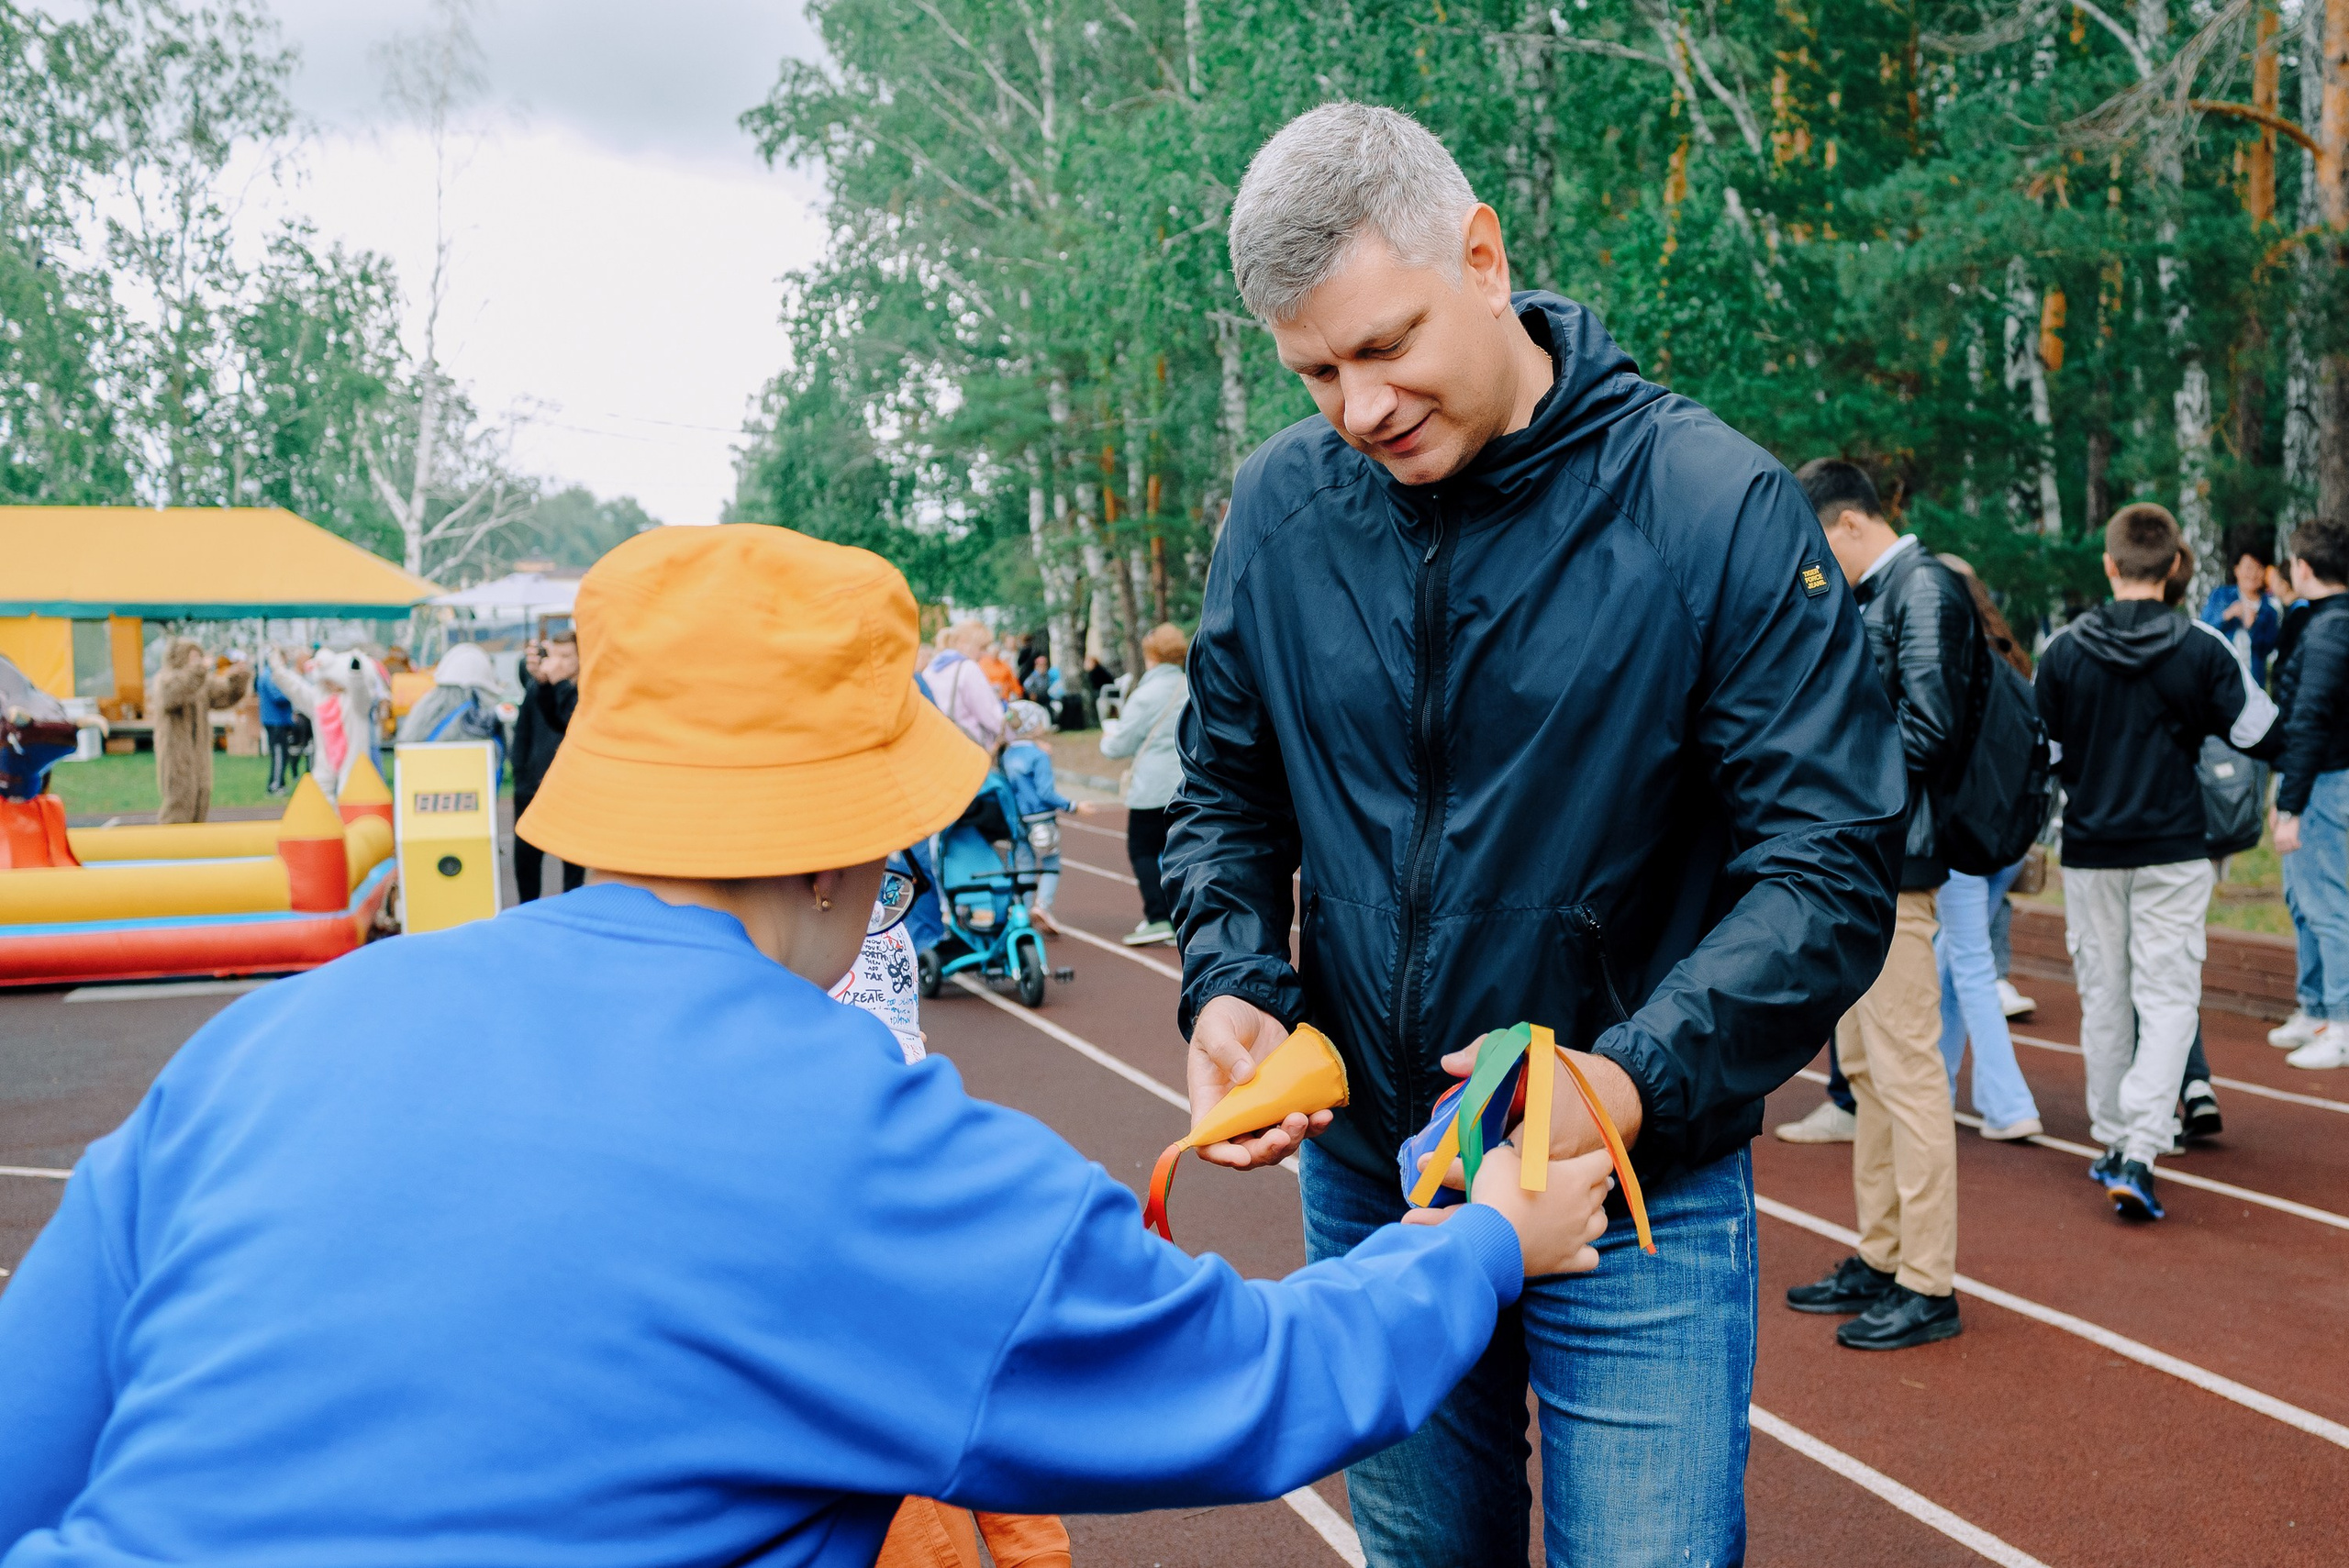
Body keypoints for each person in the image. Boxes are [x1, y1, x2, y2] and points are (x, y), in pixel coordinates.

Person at [0, 523, 1619, 1566]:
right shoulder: (865, 1148)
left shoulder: (272, 1036)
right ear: (860, 846)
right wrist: (1481, 1234)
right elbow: (1267, 1381)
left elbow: (29, 1441)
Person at [1163, 104, 1903, 1567]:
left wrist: (1626, 1080)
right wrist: (1233, 972)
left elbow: (1827, 862)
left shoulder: (1713, 504)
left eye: (1385, 346)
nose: (1359, 408)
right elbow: (1228, 791)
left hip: (1636, 1179)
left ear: (1484, 257)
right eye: (1315, 371)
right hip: (1381, 1174)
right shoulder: (1278, 507)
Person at [1779, 462, 1978, 1351]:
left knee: (1907, 1076)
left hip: (1900, 865)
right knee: (1864, 1073)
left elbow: (1929, 729)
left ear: (1850, 522)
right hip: (1863, 861)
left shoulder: (1923, 586)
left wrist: (1828, 773)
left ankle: (1927, 1281)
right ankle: (1882, 1251)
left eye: (1818, 543)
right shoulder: (1879, 591)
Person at [2034, 503, 2281, 1219]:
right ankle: (2140, 1144)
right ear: (2175, 567)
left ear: (2109, 565)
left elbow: (2041, 754)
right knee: (2167, 994)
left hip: (2091, 848)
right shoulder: (2202, 646)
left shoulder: (2065, 650)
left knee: (2105, 995)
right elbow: (2263, 732)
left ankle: (2116, 1135)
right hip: (2174, 846)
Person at [1931, 557, 2043, 1141]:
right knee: (1952, 958)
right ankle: (1941, 1084)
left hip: (1962, 842)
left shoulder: (1952, 669)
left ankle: (2008, 1102)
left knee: (1968, 963)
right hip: (2009, 840)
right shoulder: (2013, 664)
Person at [2268, 519, 2349, 1069]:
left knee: (2326, 905)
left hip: (2323, 781)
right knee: (2305, 901)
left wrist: (2290, 804)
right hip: (2316, 777)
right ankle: (2316, 1006)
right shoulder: (2321, 623)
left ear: (2302, 567)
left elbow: (2310, 719)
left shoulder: (2330, 630)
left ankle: (2340, 1023)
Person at [1100, 621, 1189, 948]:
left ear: (1150, 654)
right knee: (1181, 851)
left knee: (1142, 849)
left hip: (1152, 787)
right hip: (1186, 783)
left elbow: (1117, 747)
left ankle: (1157, 917)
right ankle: (1185, 916)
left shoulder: (1145, 694)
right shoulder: (1192, 685)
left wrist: (1108, 737)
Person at [998, 699, 1095, 936]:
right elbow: (1045, 792)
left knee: (1024, 865)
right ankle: (1042, 905)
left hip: (1017, 820)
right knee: (1051, 863)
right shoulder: (1038, 756)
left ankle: (1024, 910)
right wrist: (1073, 805)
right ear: (1033, 724)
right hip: (1041, 819)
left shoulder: (1006, 754)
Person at [511, 631, 584, 902]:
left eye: (567, 657)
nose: (560, 663)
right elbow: (534, 723)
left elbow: (570, 720)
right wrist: (520, 773)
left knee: (573, 855)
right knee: (527, 853)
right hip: (534, 779)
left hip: (572, 782)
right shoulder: (544, 686)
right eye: (556, 656)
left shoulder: (582, 688)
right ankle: (526, 909)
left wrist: (558, 682)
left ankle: (572, 906)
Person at [150, 639, 251, 825]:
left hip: (199, 757)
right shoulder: (165, 680)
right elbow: (172, 697)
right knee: (179, 801)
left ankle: (195, 849)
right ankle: (170, 848)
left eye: (199, 657)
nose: (198, 662)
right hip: (176, 755)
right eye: (193, 657)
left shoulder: (200, 682)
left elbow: (225, 696)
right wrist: (198, 671)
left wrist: (238, 678)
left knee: (201, 796)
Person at [2200, 525, 2283, 686]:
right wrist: (2227, 616)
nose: (2253, 574)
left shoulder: (2269, 609)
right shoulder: (2221, 596)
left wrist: (2253, 625)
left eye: (2258, 568)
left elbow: (2268, 648)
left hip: (2253, 682)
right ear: (2236, 570)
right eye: (2248, 568)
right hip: (2220, 679)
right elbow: (2204, 630)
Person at [925, 622, 1008, 749]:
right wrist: (1009, 734)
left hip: (940, 744)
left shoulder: (931, 669)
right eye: (982, 648)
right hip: (969, 746)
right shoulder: (968, 668)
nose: (984, 654)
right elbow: (990, 715)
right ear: (964, 642)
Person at [254, 650, 300, 795]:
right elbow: (278, 697)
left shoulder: (270, 674)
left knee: (283, 753)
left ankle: (279, 783)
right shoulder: (270, 675)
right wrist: (294, 694)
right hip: (274, 721)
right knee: (279, 753)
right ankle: (274, 785)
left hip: (278, 720)